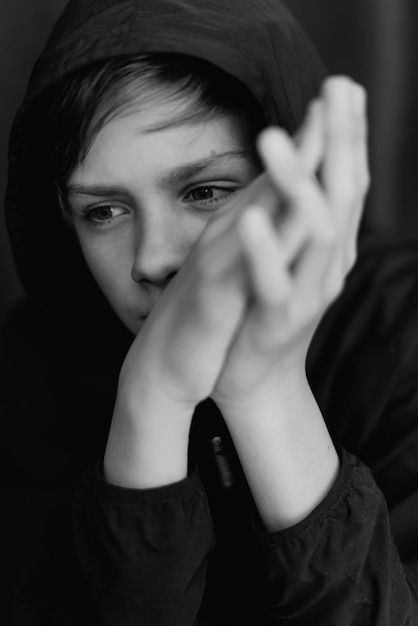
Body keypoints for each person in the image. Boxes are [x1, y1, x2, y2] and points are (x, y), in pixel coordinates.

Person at [1, 0, 417, 624]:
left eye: (204, 192)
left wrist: (264, 391)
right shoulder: (30, 369)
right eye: (103, 211)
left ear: (298, 185)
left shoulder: (404, 328)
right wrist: (151, 402)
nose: (151, 260)